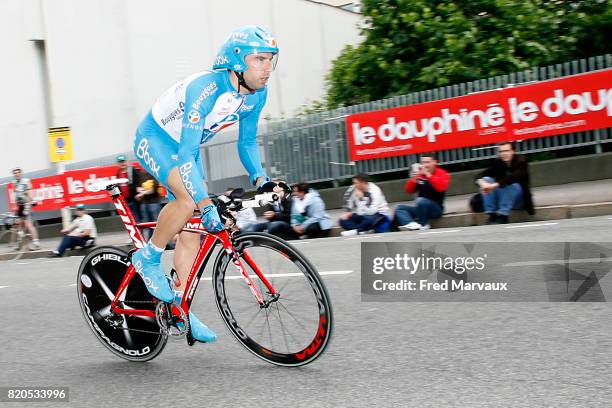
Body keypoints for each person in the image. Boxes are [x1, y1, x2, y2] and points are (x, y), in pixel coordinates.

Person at [130, 25, 280, 344]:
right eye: (259, 60)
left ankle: (179, 308)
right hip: (158, 140)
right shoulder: (206, 88)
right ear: (237, 62)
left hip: (188, 148)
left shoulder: (257, 95)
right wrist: (205, 202)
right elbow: (185, 153)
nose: (267, 68)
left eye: (270, 60)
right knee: (188, 202)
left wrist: (262, 180)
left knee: (193, 232)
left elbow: (248, 142)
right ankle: (149, 256)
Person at [475, 142, 534, 224]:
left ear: (513, 151)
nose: (504, 154)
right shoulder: (498, 162)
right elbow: (480, 175)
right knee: (486, 179)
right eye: (501, 152)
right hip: (502, 198)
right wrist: (483, 184)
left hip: (519, 200)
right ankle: (492, 215)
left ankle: (503, 215)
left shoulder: (521, 162)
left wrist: (494, 185)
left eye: (506, 151)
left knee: (511, 184)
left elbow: (513, 177)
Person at [395, 153, 451, 231]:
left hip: (436, 210)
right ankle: (411, 224)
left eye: (427, 162)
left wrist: (428, 175)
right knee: (399, 208)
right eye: (423, 162)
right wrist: (414, 178)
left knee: (421, 201)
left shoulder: (442, 173)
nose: (425, 165)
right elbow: (408, 190)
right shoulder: (420, 175)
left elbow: (441, 187)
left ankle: (423, 224)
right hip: (421, 209)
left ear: (435, 162)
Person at [10, 166, 40, 249]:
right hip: (19, 205)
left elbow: (29, 194)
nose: (16, 174)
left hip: (26, 204)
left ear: (21, 173)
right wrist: (15, 207)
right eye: (15, 173)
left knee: (29, 224)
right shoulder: (14, 183)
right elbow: (16, 195)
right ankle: (21, 245)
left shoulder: (26, 181)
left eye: (18, 172)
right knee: (18, 225)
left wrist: (28, 205)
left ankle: (36, 242)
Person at [135, 171, 163, 240]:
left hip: (154, 202)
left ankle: (156, 240)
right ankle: (148, 240)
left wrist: (142, 193)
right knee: (146, 224)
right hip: (144, 204)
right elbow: (138, 188)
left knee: (155, 223)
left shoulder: (154, 173)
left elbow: (154, 189)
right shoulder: (141, 175)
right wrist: (144, 191)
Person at [115, 155, 142, 223]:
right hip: (126, 201)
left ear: (126, 162)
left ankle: (140, 233)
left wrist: (139, 192)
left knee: (137, 219)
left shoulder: (132, 170)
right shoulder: (118, 174)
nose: (122, 163)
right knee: (130, 220)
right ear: (118, 164)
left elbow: (140, 179)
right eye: (120, 162)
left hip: (134, 200)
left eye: (123, 161)